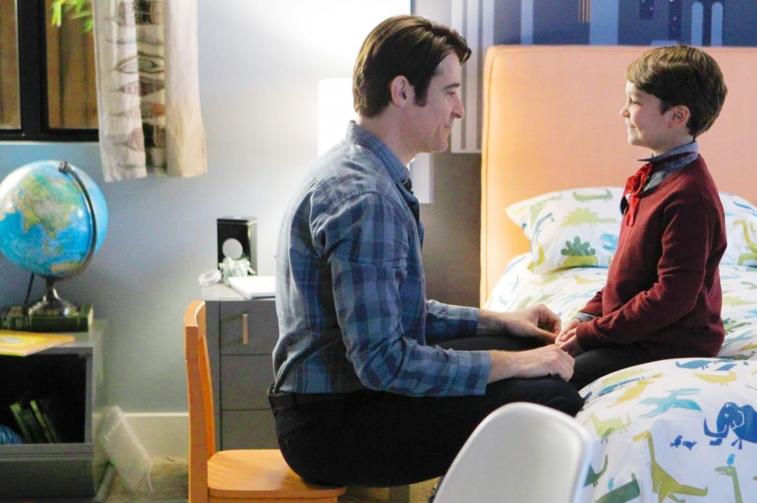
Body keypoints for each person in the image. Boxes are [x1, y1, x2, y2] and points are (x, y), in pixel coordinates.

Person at [269, 15, 583, 488]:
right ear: (402, 91)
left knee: (525, 348)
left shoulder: (368, 173)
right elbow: (384, 361)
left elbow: (400, 315)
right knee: (550, 399)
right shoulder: (365, 198)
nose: (459, 110)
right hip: (330, 427)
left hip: (343, 401)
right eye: (450, 92)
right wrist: (518, 365)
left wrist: (499, 322)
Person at [555, 45, 729, 390]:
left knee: (552, 382)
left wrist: (592, 334)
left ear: (677, 116)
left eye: (634, 102)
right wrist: (587, 315)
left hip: (670, 342)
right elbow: (629, 277)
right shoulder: (656, 176)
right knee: (538, 356)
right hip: (636, 331)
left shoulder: (689, 195)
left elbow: (672, 297)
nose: (623, 111)